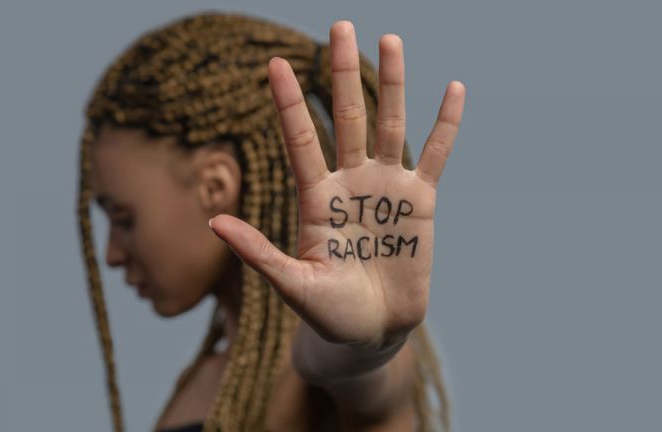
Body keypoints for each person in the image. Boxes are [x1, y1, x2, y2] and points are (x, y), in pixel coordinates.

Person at [74, 12, 466, 431]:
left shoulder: (319, 364)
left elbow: (359, 375)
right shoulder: (210, 376)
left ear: (216, 185)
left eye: (124, 217)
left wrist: (368, 344)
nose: (112, 254)